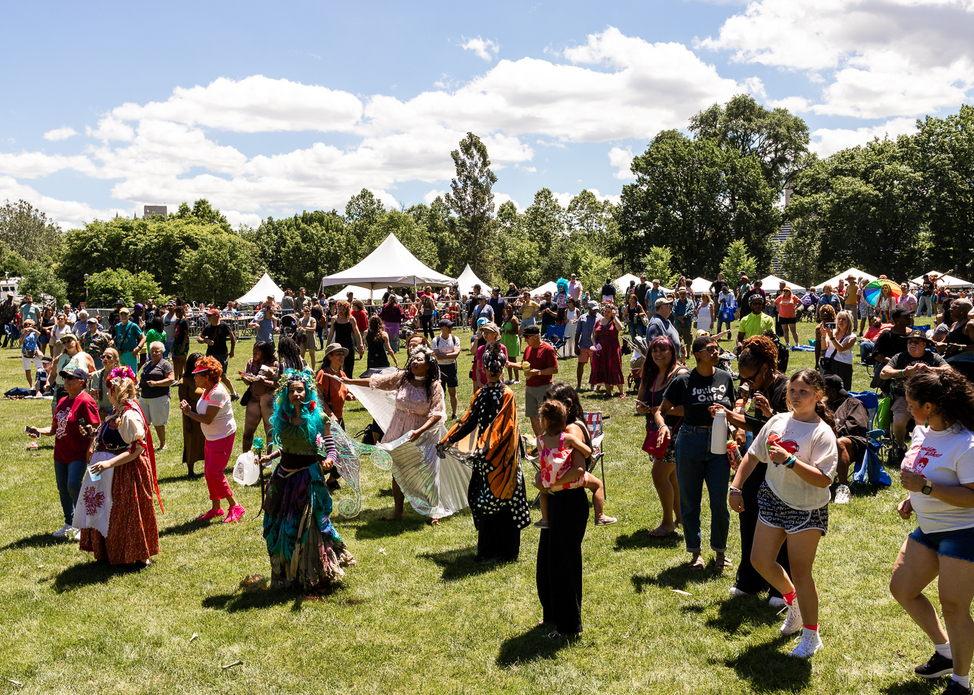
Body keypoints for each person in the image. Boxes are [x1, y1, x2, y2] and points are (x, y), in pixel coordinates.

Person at [728, 369, 838, 659]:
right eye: (792, 390)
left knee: (801, 573)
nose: (796, 396)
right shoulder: (777, 421)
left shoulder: (822, 432)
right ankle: (795, 604)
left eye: (803, 391)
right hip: (773, 499)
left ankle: (811, 637)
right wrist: (736, 487)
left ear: (818, 396)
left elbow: (823, 479)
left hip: (806, 509)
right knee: (760, 560)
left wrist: (789, 460)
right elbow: (753, 454)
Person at [889, 369, 974, 695]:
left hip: (964, 532)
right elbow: (923, 476)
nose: (907, 409)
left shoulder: (966, 443)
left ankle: (962, 683)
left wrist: (925, 488)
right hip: (929, 528)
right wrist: (911, 498)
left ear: (932, 406)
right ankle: (945, 652)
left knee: (953, 607)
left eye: (912, 404)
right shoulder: (922, 433)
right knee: (902, 588)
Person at [258, 368, 356, 591]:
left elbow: (331, 446)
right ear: (286, 394)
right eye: (292, 391)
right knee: (282, 525)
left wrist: (330, 459)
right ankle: (287, 575)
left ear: (308, 392)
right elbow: (285, 447)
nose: (297, 395)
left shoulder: (320, 418)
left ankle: (317, 575)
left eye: (300, 390)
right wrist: (270, 456)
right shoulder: (282, 417)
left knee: (310, 526)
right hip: (283, 479)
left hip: (307, 480)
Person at [716, 335, 792, 603]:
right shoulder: (758, 388)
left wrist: (771, 414)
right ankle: (749, 579)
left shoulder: (787, 389)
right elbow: (758, 429)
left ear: (766, 368)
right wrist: (731, 416)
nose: (746, 384)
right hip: (761, 460)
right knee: (749, 514)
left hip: (786, 467)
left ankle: (780, 587)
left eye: (750, 378)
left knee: (779, 521)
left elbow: (791, 433)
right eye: (742, 379)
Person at [439, 342, 531, 560]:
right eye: (489, 369)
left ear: (500, 370)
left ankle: (507, 552)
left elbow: (503, 426)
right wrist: (448, 439)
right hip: (484, 458)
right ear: (483, 369)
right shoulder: (481, 394)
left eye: (496, 370)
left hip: (504, 460)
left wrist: (483, 449)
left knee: (504, 504)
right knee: (484, 503)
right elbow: (468, 421)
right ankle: (487, 550)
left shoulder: (507, 394)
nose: (492, 373)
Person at [341, 345, 450, 521]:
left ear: (429, 365)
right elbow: (376, 382)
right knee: (397, 469)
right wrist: (351, 382)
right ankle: (398, 511)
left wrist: (419, 431)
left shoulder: (434, 386)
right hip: (399, 432)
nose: (414, 361)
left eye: (419, 359)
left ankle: (433, 512)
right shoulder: (403, 378)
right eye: (413, 358)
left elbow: (438, 413)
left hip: (423, 434)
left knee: (428, 472)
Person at [654, 335, 735, 570]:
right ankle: (695, 553)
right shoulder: (683, 381)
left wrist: (735, 428)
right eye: (710, 349)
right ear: (697, 354)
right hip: (690, 441)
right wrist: (663, 428)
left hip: (719, 440)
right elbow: (662, 410)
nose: (716, 352)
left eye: (717, 349)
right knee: (690, 500)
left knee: (719, 501)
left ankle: (720, 552)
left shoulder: (725, 377)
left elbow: (734, 407)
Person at [77, 368, 160, 568]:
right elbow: (114, 436)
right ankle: (108, 552)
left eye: (109, 390)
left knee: (128, 513)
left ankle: (140, 556)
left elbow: (137, 448)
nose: (107, 394)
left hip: (127, 471)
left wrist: (109, 463)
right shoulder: (117, 411)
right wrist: (94, 433)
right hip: (110, 472)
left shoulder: (130, 415)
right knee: (108, 511)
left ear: (117, 392)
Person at [535, 382, 590, 639]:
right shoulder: (562, 430)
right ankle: (556, 615)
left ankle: (568, 628)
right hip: (558, 500)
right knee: (552, 563)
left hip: (568, 502)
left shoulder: (571, 431)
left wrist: (547, 483)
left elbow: (579, 469)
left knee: (563, 565)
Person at [25, 367, 101, 539]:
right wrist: (38, 431)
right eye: (65, 377)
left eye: (70, 377)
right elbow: (54, 428)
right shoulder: (62, 400)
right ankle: (70, 523)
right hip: (60, 453)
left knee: (73, 485)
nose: (66, 379)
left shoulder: (86, 401)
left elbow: (96, 428)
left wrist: (91, 446)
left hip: (78, 452)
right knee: (62, 488)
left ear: (81, 381)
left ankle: (85, 524)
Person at [178, 356, 245, 523]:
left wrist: (188, 413)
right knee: (209, 473)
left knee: (214, 473)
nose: (193, 377)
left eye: (197, 375)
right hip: (212, 437)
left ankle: (236, 506)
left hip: (222, 437)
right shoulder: (207, 390)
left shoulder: (217, 392)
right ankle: (216, 508)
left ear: (207, 377)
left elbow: (207, 419)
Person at [533, 398, 615, 528]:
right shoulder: (567, 438)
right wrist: (582, 450)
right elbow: (587, 451)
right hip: (571, 481)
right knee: (598, 485)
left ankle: (545, 519)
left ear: (544, 421)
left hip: (549, 483)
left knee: (543, 493)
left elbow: (544, 460)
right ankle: (600, 516)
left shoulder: (540, 441)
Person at [636, 336, 687, 537]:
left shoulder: (681, 375)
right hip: (656, 432)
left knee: (659, 475)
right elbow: (640, 401)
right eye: (655, 350)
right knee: (671, 476)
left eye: (663, 350)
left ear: (672, 351)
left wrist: (662, 410)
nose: (658, 354)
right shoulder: (649, 374)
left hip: (677, 432)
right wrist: (641, 408)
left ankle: (668, 524)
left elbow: (690, 409)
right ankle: (681, 517)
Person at [881, 329, 951, 462]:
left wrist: (930, 369)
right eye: (910, 341)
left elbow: (949, 370)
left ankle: (929, 449)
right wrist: (903, 373)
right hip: (904, 397)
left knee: (938, 423)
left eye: (916, 342)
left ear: (925, 344)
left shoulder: (933, 357)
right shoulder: (900, 357)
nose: (912, 344)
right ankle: (901, 447)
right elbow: (884, 373)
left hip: (929, 399)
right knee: (899, 421)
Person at [823, 374, 870, 505]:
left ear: (832, 391)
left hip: (855, 442)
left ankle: (843, 488)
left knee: (839, 443)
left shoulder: (853, 404)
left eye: (823, 389)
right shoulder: (823, 406)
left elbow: (858, 426)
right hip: (826, 441)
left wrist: (832, 433)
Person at [240, 340, 279, 453]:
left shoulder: (274, 364)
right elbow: (248, 382)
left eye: (257, 352)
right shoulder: (251, 362)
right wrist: (245, 378)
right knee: (248, 431)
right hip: (254, 398)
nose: (254, 354)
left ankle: (269, 459)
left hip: (268, 398)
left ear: (265, 353)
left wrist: (264, 382)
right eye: (253, 352)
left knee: (270, 432)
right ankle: (246, 456)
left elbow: (277, 385)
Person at [522, 325, 559, 437]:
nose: (525, 340)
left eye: (527, 337)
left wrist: (537, 372)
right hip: (529, 388)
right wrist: (509, 364)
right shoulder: (528, 349)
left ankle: (550, 442)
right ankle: (540, 443)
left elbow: (555, 369)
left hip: (544, 387)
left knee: (546, 417)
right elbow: (523, 364)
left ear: (535, 336)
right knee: (533, 417)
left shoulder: (547, 349)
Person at [138, 342, 175, 451]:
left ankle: (162, 444)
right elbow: (143, 379)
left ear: (162, 352)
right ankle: (147, 444)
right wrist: (138, 385)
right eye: (152, 351)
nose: (154, 353)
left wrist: (156, 383)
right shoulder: (147, 364)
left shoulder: (165, 364)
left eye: (156, 351)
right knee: (143, 423)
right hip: (144, 397)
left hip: (159, 397)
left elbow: (171, 379)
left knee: (158, 423)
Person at [198, 308, 238, 398]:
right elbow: (199, 338)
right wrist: (206, 340)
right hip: (210, 354)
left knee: (222, 376)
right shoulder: (208, 327)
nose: (207, 317)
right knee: (208, 375)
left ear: (216, 316)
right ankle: (209, 394)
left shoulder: (224, 326)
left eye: (209, 315)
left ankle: (233, 393)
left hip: (222, 354)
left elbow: (232, 338)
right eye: (207, 315)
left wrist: (232, 351)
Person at [178, 353, 207, 477]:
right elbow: (183, 403)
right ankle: (190, 470)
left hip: (206, 416)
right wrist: (188, 421)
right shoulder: (185, 381)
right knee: (192, 443)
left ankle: (209, 468)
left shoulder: (205, 378)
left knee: (207, 443)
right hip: (192, 417)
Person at [590, 303, 625, 398]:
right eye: (605, 311)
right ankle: (608, 391)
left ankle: (621, 392)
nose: (606, 313)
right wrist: (594, 344)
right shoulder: (598, 322)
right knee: (604, 368)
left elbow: (620, 328)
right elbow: (593, 335)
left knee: (615, 367)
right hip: (601, 349)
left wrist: (615, 317)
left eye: (609, 312)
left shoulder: (614, 322)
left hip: (613, 349)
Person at [315, 343, 353, 428]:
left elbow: (344, 392)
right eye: (338, 354)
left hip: (339, 417)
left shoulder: (342, 374)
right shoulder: (324, 374)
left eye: (342, 354)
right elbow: (318, 397)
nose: (342, 356)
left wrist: (349, 396)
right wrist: (331, 414)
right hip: (327, 418)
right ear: (329, 357)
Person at [821, 310, 857, 391]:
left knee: (842, 390)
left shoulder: (852, 337)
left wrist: (832, 338)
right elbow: (824, 347)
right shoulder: (832, 332)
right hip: (829, 364)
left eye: (843, 319)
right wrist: (823, 336)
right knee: (827, 389)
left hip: (843, 365)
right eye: (839, 319)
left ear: (849, 322)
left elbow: (841, 349)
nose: (840, 321)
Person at [327, 300, 363, 377]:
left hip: (349, 346)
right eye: (339, 309)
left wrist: (361, 345)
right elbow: (331, 334)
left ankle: (348, 387)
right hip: (338, 348)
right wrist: (327, 345)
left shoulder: (351, 319)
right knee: (337, 370)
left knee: (348, 370)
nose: (340, 311)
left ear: (347, 310)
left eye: (343, 309)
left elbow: (357, 332)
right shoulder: (334, 319)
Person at [433, 318, 460, 419]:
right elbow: (436, 356)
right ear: (441, 328)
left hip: (451, 367)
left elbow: (456, 354)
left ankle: (454, 413)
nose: (451, 328)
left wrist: (442, 355)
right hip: (439, 367)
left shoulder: (455, 338)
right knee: (440, 392)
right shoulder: (436, 340)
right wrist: (450, 354)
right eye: (448, 326)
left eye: (451, 326)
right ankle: (441, 413)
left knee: (452, 391)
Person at [574, 301, 600, 391]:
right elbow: (577, 333)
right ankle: (579, 385)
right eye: (593, 309)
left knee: (594, 366)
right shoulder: (582, 318)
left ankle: (592, 385)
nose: (595, 311)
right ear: (588, 308)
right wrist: (575, 346)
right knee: (580, 364)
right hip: (583, 345)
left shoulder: (600, 318)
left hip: (594, 346)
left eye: (596, 309)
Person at [88, 348, 120, 419]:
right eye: (103, 357)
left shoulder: (119, 375)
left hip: (117, 412)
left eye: (108, 357)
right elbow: (94, 397)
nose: (105, 359)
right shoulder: (96, 375)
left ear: (116, 360)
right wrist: (92, 393)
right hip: (101, 413)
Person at [500, 304, 520, 385]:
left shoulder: (514, 319)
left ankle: (517, 379)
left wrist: (505, 331)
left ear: (513, 309)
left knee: (513, 360)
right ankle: (510, 378)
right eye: (507, 308)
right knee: (507, 360)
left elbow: (516, 331)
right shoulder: (506, 318)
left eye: (510, 308)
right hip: (505, 341)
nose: (508, 309)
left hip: (512, 341)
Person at [672, 288, 695, 357]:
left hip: (687, 323)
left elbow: (691, 311)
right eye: (681, 293)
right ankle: (677, 354)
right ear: (678, 294)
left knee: (688, 340)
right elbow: (673, 311)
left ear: (686, 293)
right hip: (678, 324)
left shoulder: (690, 302)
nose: (682, 295)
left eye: (683, 293)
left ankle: (688, 355)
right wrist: (678, 318)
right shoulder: (675, 302)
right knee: (676, 340)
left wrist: (684, 316)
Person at [20, 319, 42, 388]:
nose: (28, 326)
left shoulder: (34, 333)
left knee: (41, 367)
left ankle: (41, 384)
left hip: (36, 351)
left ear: (32, 325)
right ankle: (31, 386)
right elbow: (20, 343)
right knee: (27, 369)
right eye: (26, 324)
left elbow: (39, 334)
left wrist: (32, 329)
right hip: (25, 352)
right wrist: (24, 335)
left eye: (29, 324)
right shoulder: (22, 333)